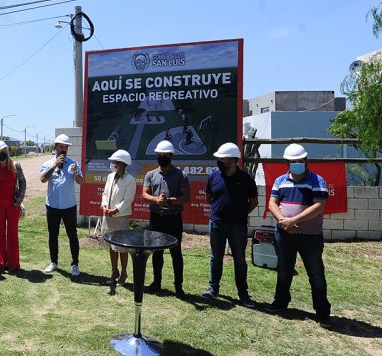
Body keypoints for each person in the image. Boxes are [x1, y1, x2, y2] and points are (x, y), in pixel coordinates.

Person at [265, 143, 332, 328]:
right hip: (284, 233)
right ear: (287, 162)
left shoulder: (317, 181)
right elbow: (272, 203)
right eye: (293, 161)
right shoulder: (280, 180)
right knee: (284, 270)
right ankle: (280, 302)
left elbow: (318, 206)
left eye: (300, 161)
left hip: (310, 236)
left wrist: (293, 220)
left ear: (306, 160)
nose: (296, 164)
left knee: (316, 274)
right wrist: (283, 221)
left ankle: (323, 313)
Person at [202, 143, 258, 307]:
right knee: (216, 257)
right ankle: (213, 288)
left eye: (222, 158)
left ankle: (243, 294)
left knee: (239, 259)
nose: (219, 160)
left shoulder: (245, 179)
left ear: (233, 160)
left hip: (238, 226)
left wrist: (240, 214)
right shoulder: (213, 176)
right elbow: (208, 197)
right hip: (217, 223)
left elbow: (254, 201)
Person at [142, 140, 190, 296]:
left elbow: (186, 197)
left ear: (171, 156)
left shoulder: (180, 175)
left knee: (176, 253)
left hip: (173, 218)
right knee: (157, 252)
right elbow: (144, 194)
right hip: (156, 218)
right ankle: (157, 283)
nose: (162, 157)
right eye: (159, 155)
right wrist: (156, 200)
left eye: (165, 155)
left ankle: (179, 287)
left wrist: (170, 200)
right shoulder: (150, 175)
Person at [40, 134, 84, 277]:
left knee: (72, 235)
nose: (64, 149)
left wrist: (77, 174)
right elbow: (42, 179)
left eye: (66, 147)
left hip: (69, 206)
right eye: (61, 146)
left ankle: (75, 264)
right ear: (55, 147)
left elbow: (81, 181)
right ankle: (54, 262)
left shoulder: (73, 163)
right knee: (53, 235)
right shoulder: (48, 163)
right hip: (52, 205)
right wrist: (55, 165)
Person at [0, 140, 27, 272]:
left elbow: (22, 182)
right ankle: (0, 263)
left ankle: (13, 264)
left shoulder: (16, 165)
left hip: (13, 205)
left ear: (7, 152)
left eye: (3, 152)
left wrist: (19, 200)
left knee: (12, 234)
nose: (1, 155)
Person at [100, 149, 136, 286]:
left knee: (122, 247)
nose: (113, 164)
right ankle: (114, 271)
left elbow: (128, 199)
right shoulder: (110, 177)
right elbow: (105, 193)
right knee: (111, 245)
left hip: (121, 217)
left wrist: (116, 210)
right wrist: (104, 206)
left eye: (115, 162)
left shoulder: (129, 179)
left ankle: (124, 273)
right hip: (108, 216)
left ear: (122, 164)